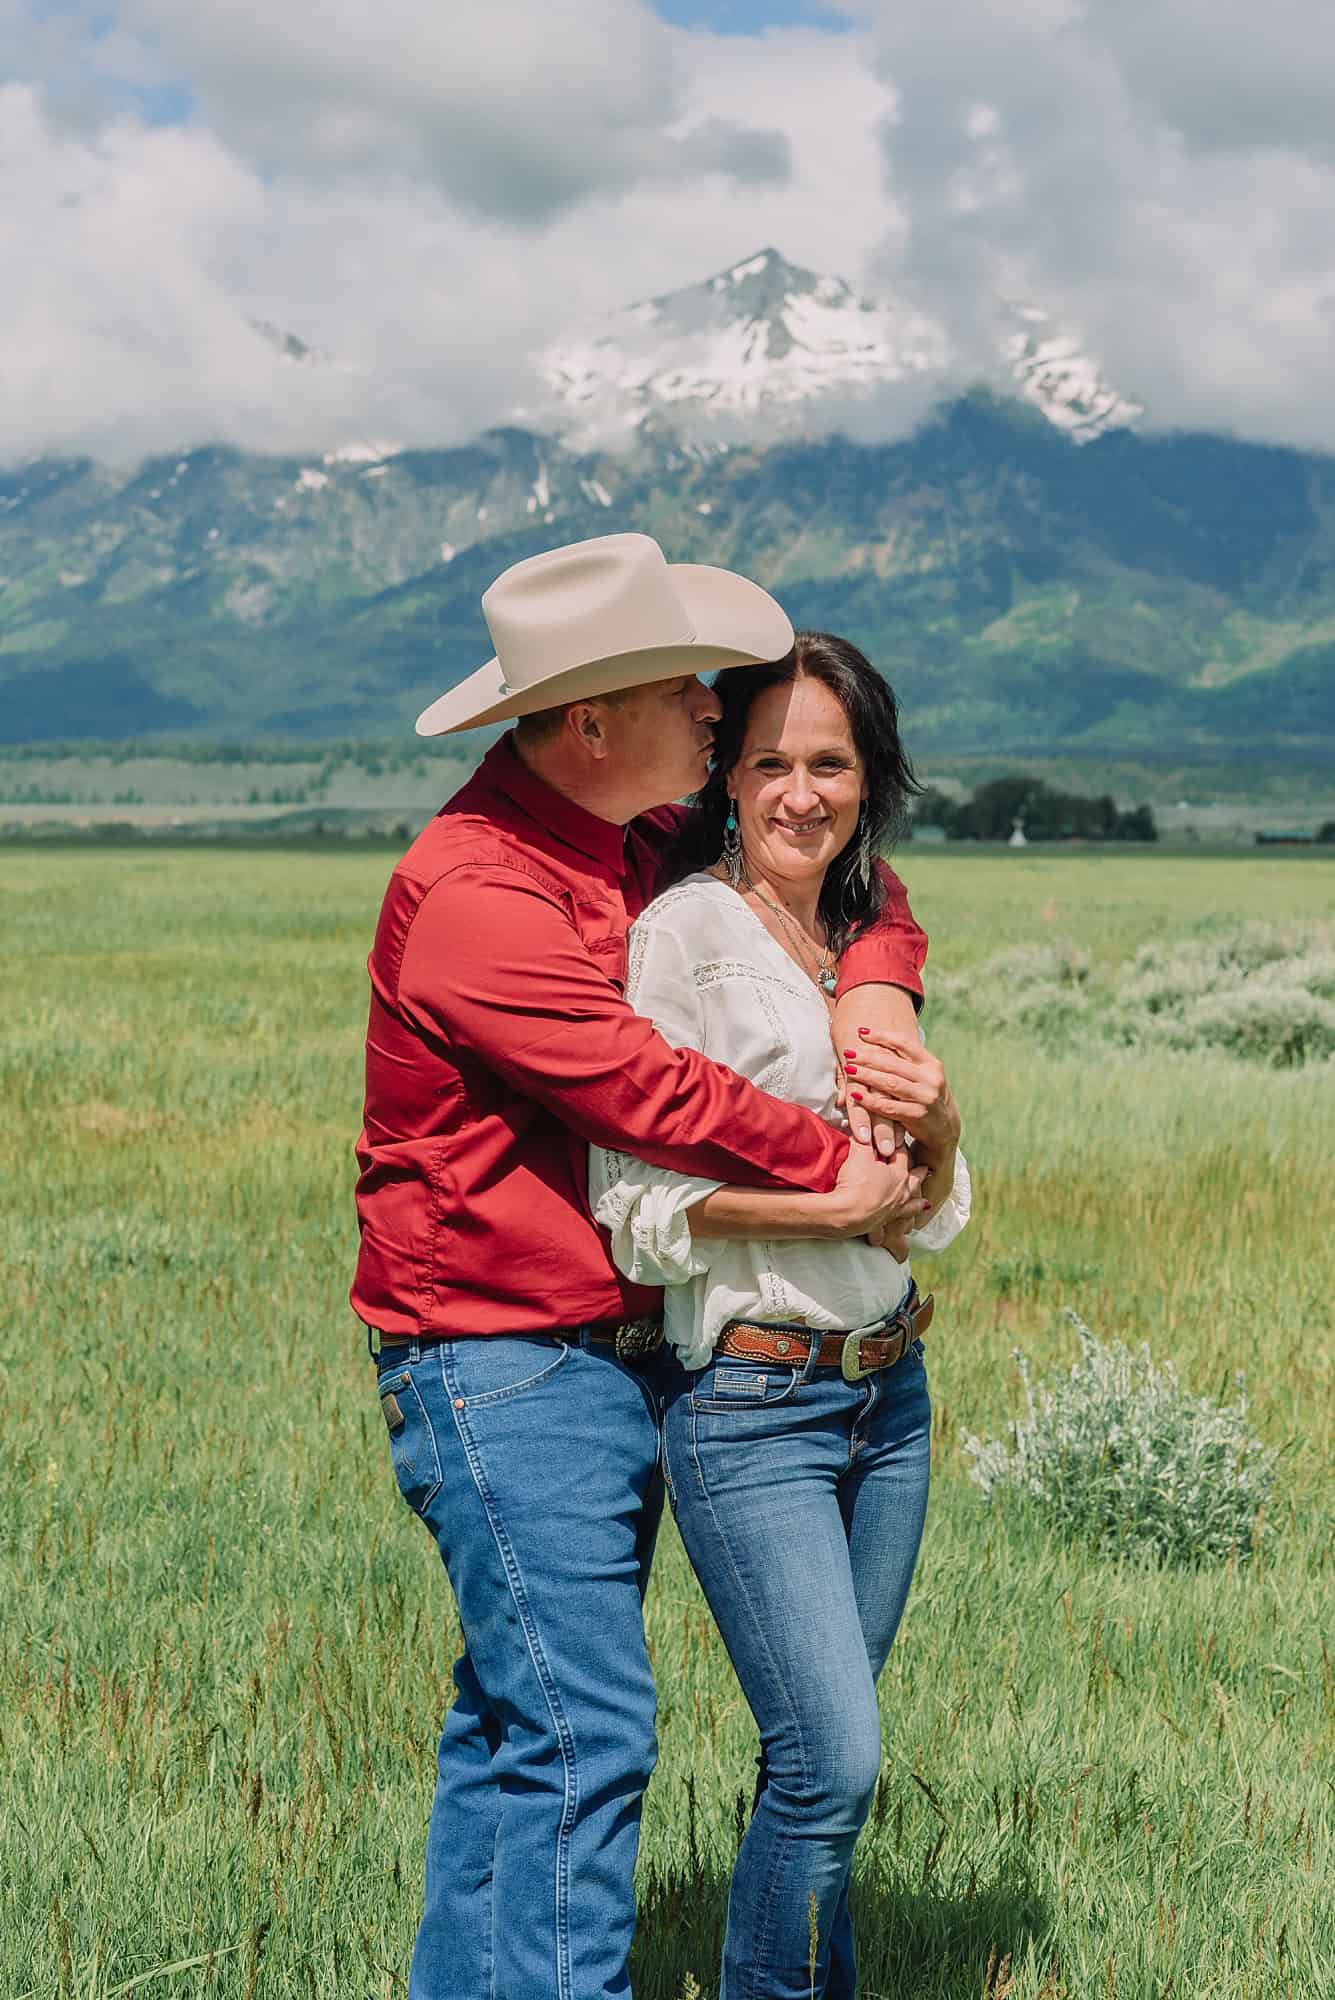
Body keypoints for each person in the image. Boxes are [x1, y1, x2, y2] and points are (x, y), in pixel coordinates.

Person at [352, 533, 955, 2000]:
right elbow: (656, 1098)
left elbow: (856, 896)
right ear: (587, 720)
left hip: (608, 1347)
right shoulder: (479, 897)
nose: (710, 707)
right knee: (585, 1731)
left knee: (517, 1726)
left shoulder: (622, 841)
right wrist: (850, 1177)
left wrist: (875, 993)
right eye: (682, 687)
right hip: (505, 1358)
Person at [589, 631, 970, 2000]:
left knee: (819, 1766)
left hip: (892, 1392)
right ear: (726, 783)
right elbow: (635, 1207)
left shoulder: (865, 939)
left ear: (870, 779)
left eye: (831, 762)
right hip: (754, 1405)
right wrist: (829, 1209)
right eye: (771, 763)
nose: (802, 791)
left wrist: (939, 1134)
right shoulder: (683, 932)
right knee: (836, 1759)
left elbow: (940, 1197)